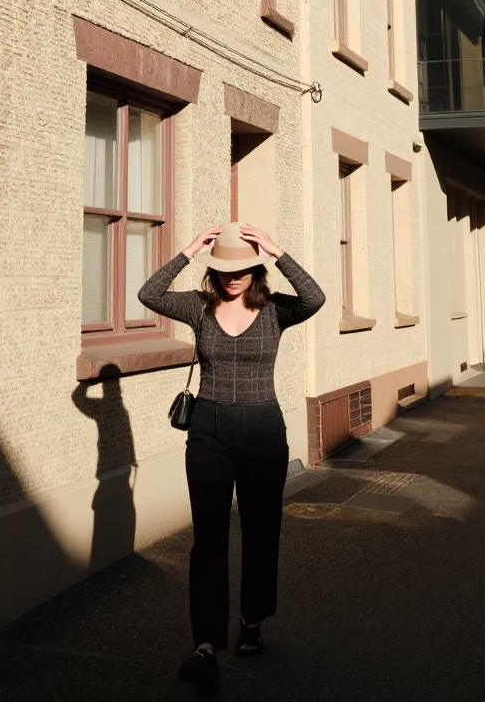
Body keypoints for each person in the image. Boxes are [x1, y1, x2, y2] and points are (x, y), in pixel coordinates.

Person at [138, 221, 325, 692]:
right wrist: (188, 250)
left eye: (242, 268)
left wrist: (279, 251)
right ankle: (205, 645)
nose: (232, 276)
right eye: (223, 269)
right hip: (209, 431)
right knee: (209, 538)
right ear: (213, 271)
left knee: (262, 531)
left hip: (263, 429)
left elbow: (315, 298)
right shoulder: (198, 307)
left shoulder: (277, 310)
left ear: (256, 268)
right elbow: (149, 293)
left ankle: (253, 619)